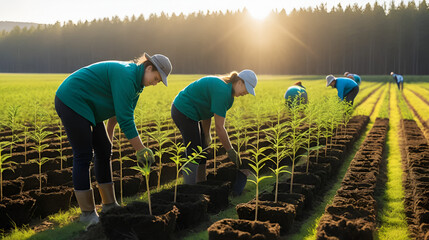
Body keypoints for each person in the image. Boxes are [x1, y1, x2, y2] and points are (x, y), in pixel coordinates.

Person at [55, 53, 172, 227]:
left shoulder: (137, 85)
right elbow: (126, 119)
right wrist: (140, 149)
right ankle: (87, 214)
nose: (155, 83)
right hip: (72, 99)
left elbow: (118, 113)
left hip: (90, 106)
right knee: (83, 155)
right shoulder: (126, 76)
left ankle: (109, 205)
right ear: (148, 68)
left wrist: (107, 139)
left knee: (104, 150)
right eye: (156, 78)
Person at [171, 70, 257, 185]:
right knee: (195, 150)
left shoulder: (228, 95)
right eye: (247, 89)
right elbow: (220, 127)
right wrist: (230, 151)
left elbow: (207, 112)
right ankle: (189, 187)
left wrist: (206, 134)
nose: (246, 93)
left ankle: (201, 181)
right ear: (240, 82)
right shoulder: (223, 91)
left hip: (193, 113)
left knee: (203, 148)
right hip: (183, 110)